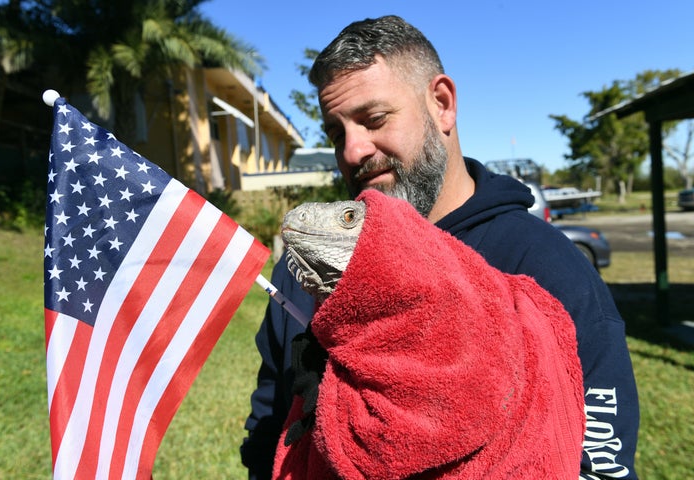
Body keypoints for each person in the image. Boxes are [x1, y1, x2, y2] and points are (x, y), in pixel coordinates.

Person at [241, 15, 639, 479]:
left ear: (442, 104)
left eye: (374, 119)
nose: (352, 150)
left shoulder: (547, 267)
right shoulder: (306, 272)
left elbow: (600, 463)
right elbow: (267, 436)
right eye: (335, 132)